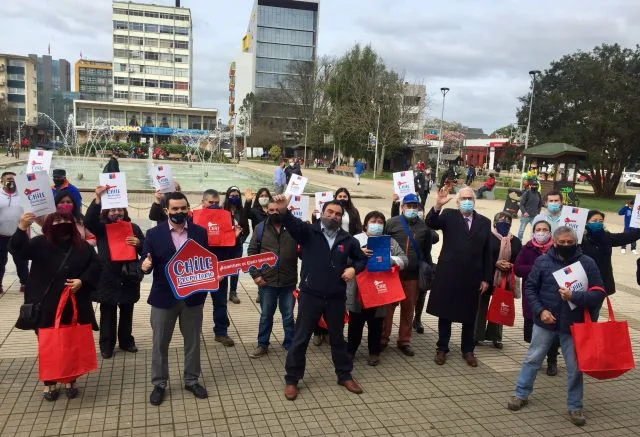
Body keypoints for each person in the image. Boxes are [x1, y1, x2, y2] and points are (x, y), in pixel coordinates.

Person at [508, 226, 606, 427]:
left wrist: (575, 296)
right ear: (554, 242)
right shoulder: (543, 261)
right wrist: (540, 311)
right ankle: (521, 393)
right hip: (546, 321)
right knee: (533, 358)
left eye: (570, 242)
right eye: (562, 242)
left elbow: (599, 292)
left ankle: (575, 405)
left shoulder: (587, 263)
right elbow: (530, 288)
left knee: (575, 367)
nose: (566, 245)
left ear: (576, 242)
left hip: (573, 323)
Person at [274, 196, 368, 400]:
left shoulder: (348, 240)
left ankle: (344, 375)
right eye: (330, 212)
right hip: (310, 294)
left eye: (338, 214)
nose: (333, 217)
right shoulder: (308, 232)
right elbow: (291, 224)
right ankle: (292, 379)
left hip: (335, 297)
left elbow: (362, 261)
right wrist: (283, 210)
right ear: (322, 213)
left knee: (337, 339)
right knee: (300, 339)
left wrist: (353, 268)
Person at [10, 211, 101, 401]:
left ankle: (70, 380)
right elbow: (17, 250)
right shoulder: (39, 243)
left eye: (66, 220)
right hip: (45, 305)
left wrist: (82, 281)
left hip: (73, 303)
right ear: (49, 224)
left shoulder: (82, 246)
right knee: (48, 344)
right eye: (57, 220)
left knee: (70, 342)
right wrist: (22, 227)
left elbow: (96, 266)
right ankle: (49, 382)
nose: (62, 223)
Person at [141, 192, 209, 406]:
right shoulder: (153, 234)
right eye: (175, 209)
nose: (180, 212)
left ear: (189, 209)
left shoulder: (200, 232)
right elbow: (145, 259)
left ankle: (191, 380)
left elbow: (206, 261)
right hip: (164, 297)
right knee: (160, 343)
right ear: (166, 211)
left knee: (193, 341)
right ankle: (159, 384)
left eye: (183, 208)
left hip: (192, 297)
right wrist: (144, 265)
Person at [426, 186, 492, 367]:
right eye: (463, 198)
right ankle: (442, 348)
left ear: (475, 201)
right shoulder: (448, 215)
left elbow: (487, 252)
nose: (467, 201)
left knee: (469, 314)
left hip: (473, 275)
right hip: (449, 272)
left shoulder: (485, 222)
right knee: (445, 312)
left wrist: (486, 278)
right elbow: (431, 223)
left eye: (470, 198)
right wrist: (437, 205)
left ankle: (468, 350)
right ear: (457, 201)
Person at [84, 187, 145, 359]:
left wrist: (139, 243)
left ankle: (126, 341)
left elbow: (146, 249)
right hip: (107, 276)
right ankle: (106, 345)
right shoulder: (102, 228)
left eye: (119, 209)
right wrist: (97, 198)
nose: (116, 212)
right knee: (107, 311)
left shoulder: (133, 227)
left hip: (128, 276)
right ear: (106, 211)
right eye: (112, 209)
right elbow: (88, 221)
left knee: (127, 310)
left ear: (125, 211)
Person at [348, 211, 408, 366]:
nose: (377, 224)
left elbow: (404, 259)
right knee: (356, 324)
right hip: (358, 291)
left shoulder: (389, 242)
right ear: (366, 224)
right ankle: (350, 351)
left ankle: (374, 352)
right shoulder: (355, 240)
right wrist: (358, 254)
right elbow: (343, 259)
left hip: (380, 289)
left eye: (380, 222)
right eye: (373, 221)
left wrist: (392, 260)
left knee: (376, 324)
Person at [382, 193, 435, 356]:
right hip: (393, 274)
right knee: (388, 309)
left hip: (412, 275)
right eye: (408, 206)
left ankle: (404, 341)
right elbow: (383, 246)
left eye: (415, 206)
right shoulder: (391, 223)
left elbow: (426, 252)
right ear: (402, 207)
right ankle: (383, 339)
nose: (412, 209)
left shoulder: (424, 227)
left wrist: (426, 271)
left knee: (408, 309)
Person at [247, 200, 298, 358]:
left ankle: (290, 343)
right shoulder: (260, 228)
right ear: (266, 210)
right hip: (266, 281)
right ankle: (262, 344)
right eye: (271, 209)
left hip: (288, 281)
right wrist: (256, 275)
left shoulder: (293, 227)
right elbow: (251, 253)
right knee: (266, 315)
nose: (275, 212)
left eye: (278, 209)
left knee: (288, 316)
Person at [514, 217, 560, 376]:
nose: (541, 233)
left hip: (552, 296)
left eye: (545, 230)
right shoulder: (527, 248)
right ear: (533, 232)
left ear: (550, 232)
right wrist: (537, 268)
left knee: (552, 329)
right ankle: (537, 357)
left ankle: (552, 360)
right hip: (532, 296)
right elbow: (518, 269)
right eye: (538, 230)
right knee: (531, 332)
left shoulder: (557, 248)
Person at [475, 212, 522, 349]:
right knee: (481, 307)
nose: (504, 223)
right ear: (495, 223)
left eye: (508, 221)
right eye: (501, 221)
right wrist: (495, 263)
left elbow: (519, 259)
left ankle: (495, 337)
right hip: (486, 276)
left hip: (504, 278)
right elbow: (480, 256)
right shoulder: (486, 237)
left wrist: (511, 265)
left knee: (501, 306)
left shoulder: (516, 241)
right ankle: (477, 335)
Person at [199, 189, 237, 346]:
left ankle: (221, 332)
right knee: (196, 303)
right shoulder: (194, 219)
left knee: (220, 302)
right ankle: (193, 332)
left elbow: (230, 248)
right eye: (210, 203)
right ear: (203, 203)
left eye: (216, 203)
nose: (214, 205)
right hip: (199, 268)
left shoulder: (226, 218)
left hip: (219, 268)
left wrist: (234, 236)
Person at [581, 210, 640, 296]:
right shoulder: (579, 239)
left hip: (602, 280)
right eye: (594, 221)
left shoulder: (607, 237)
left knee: (596, 307)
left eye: (600, 221)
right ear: (586, 222)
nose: (598, 223)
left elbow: (627, 237)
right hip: (584, 280)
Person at [0, 171, 28, 294]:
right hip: (1, 235)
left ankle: (25, 283)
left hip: (19, 235)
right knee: (0, 261)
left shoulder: (24, 195)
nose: (11, 182)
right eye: (8, 179)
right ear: (2, 180)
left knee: (22, 261)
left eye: (13, 179)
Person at [221, 186, 250, 304]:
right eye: (232, 196)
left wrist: (240, 240)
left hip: (237, 246)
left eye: (237, 196)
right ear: (228, 196)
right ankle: (222, 292)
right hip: (224, 246)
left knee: (235, 269)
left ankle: (233, 292)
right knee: (223, 269)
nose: (234, 198)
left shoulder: (242, 212)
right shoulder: (222, 211)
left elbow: (247, 229)